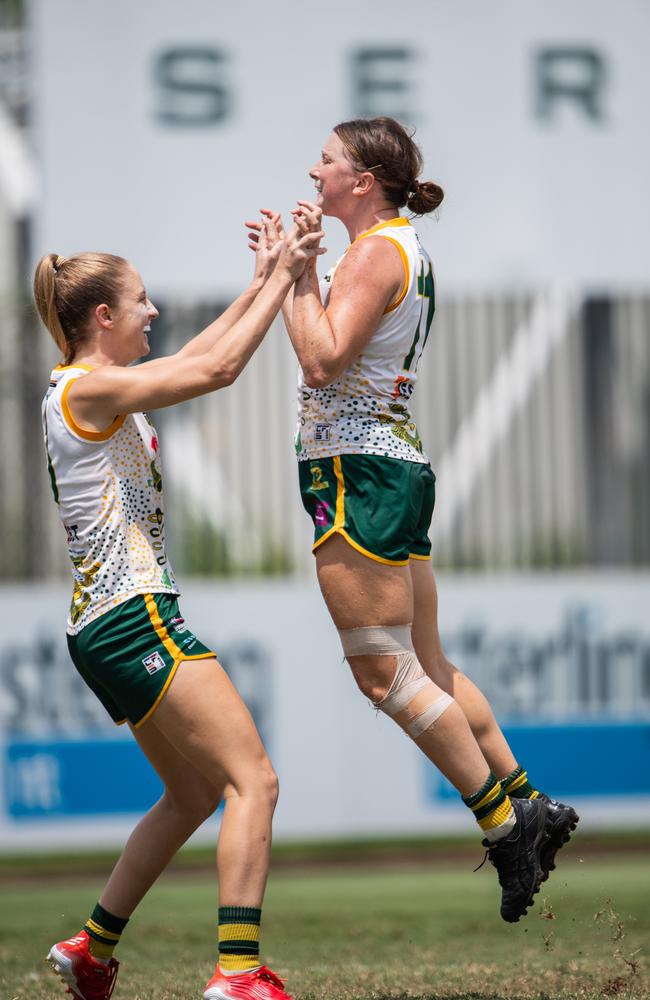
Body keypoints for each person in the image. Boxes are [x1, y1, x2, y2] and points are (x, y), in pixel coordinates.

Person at [248, 116, 578, 923]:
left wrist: (294, 275)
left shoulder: (372, 252)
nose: (313, 169)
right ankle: (530, 798)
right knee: (425, 664)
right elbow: (339, 350)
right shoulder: (399, 247)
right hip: (389, 461)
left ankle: (507, 823)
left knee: (380, 671)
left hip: (359, 472)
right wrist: (296, 272)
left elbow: (322, 358)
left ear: (363, 181)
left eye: (326, 160)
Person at [34, 220, 323, 1000]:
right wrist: (288, 275)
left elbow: (200, 359)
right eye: (139, 301)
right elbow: (221, 369)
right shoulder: (86, 388)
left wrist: (265, 276)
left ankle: (90, 951)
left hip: (101, 623)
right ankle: (237, 976)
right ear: (101, 317)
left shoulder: (89, 386)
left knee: (196, 794)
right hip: (132, 616)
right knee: (253, 781)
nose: (152, 311)